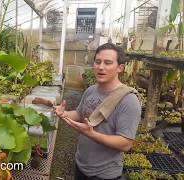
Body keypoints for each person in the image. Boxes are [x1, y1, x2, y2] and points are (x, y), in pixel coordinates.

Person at [54, 43, 141, 180]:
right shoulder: (91, 91)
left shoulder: (128, 100)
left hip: (104, 174)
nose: (101, 67)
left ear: (120, 68)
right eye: (98, 62)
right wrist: (64, 114)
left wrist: (91, 134)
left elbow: (125, 143)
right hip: (81, 165)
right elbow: (79, 114)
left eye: (108, 63)